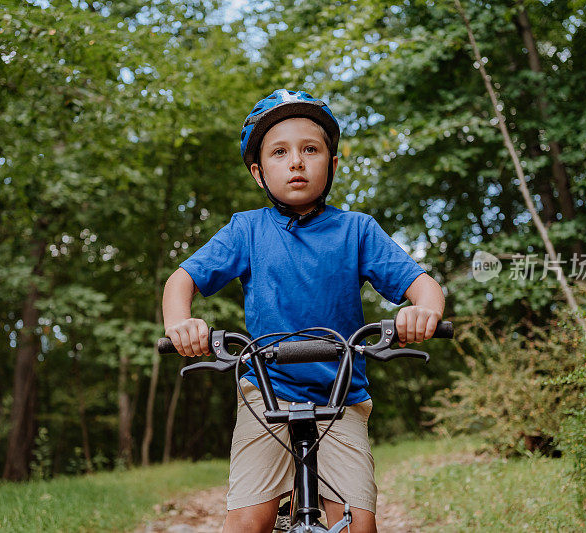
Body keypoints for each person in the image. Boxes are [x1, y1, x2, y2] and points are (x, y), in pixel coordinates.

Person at [163, 89, 445, 533]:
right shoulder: (247, 229)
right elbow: (181, 281)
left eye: (310, 149)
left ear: (332, 165)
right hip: (266, 392)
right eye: (280, 152)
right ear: (259, 173)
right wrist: (181, 323)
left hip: (341, 397)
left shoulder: (357, 230)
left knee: (358, 526)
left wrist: (421, 312)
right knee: (246, 522)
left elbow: (424, 287)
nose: (296, 161)